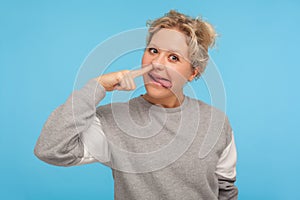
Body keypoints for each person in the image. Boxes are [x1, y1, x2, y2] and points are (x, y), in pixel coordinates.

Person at [34, 10, 238, 200]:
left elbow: (225, 189)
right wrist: (97, 86)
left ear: (194, 72)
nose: (157, 63)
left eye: (173, 57)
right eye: (153, 50)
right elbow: (50, 149)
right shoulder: (115, 121)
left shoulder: (216, 122)